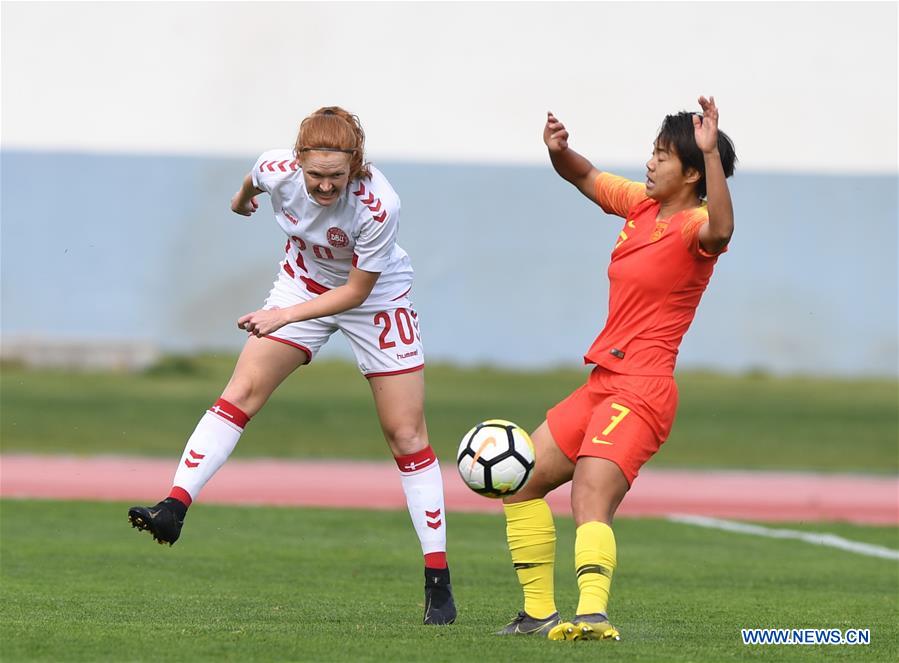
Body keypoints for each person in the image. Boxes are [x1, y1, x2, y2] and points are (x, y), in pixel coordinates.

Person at [128, 106, 456, 626]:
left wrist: (283, 316)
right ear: (298, 160)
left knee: (406, 434)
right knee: (241, 392)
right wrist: (240, 203)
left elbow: (355, 290)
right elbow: (251, 183)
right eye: (315, 175)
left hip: (375, 298)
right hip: (302, 282)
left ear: (356, 166)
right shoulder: (276, 168)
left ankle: (437, 581)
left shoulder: (378, 206)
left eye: (336, 177)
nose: (325, 187)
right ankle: (173, 507)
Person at [496, 96, 736, 640]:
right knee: (521, 484)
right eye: (650, 153)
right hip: (602, 383)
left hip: (643, 391)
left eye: (661, 156)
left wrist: (713, 156)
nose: (649, 164)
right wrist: (560, 149)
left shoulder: (695, 226)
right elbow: (581, 174)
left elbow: (722, 230)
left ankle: (593, 616)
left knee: (589, 495)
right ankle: (538, 614)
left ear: (692, 171)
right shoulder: (642, 206)